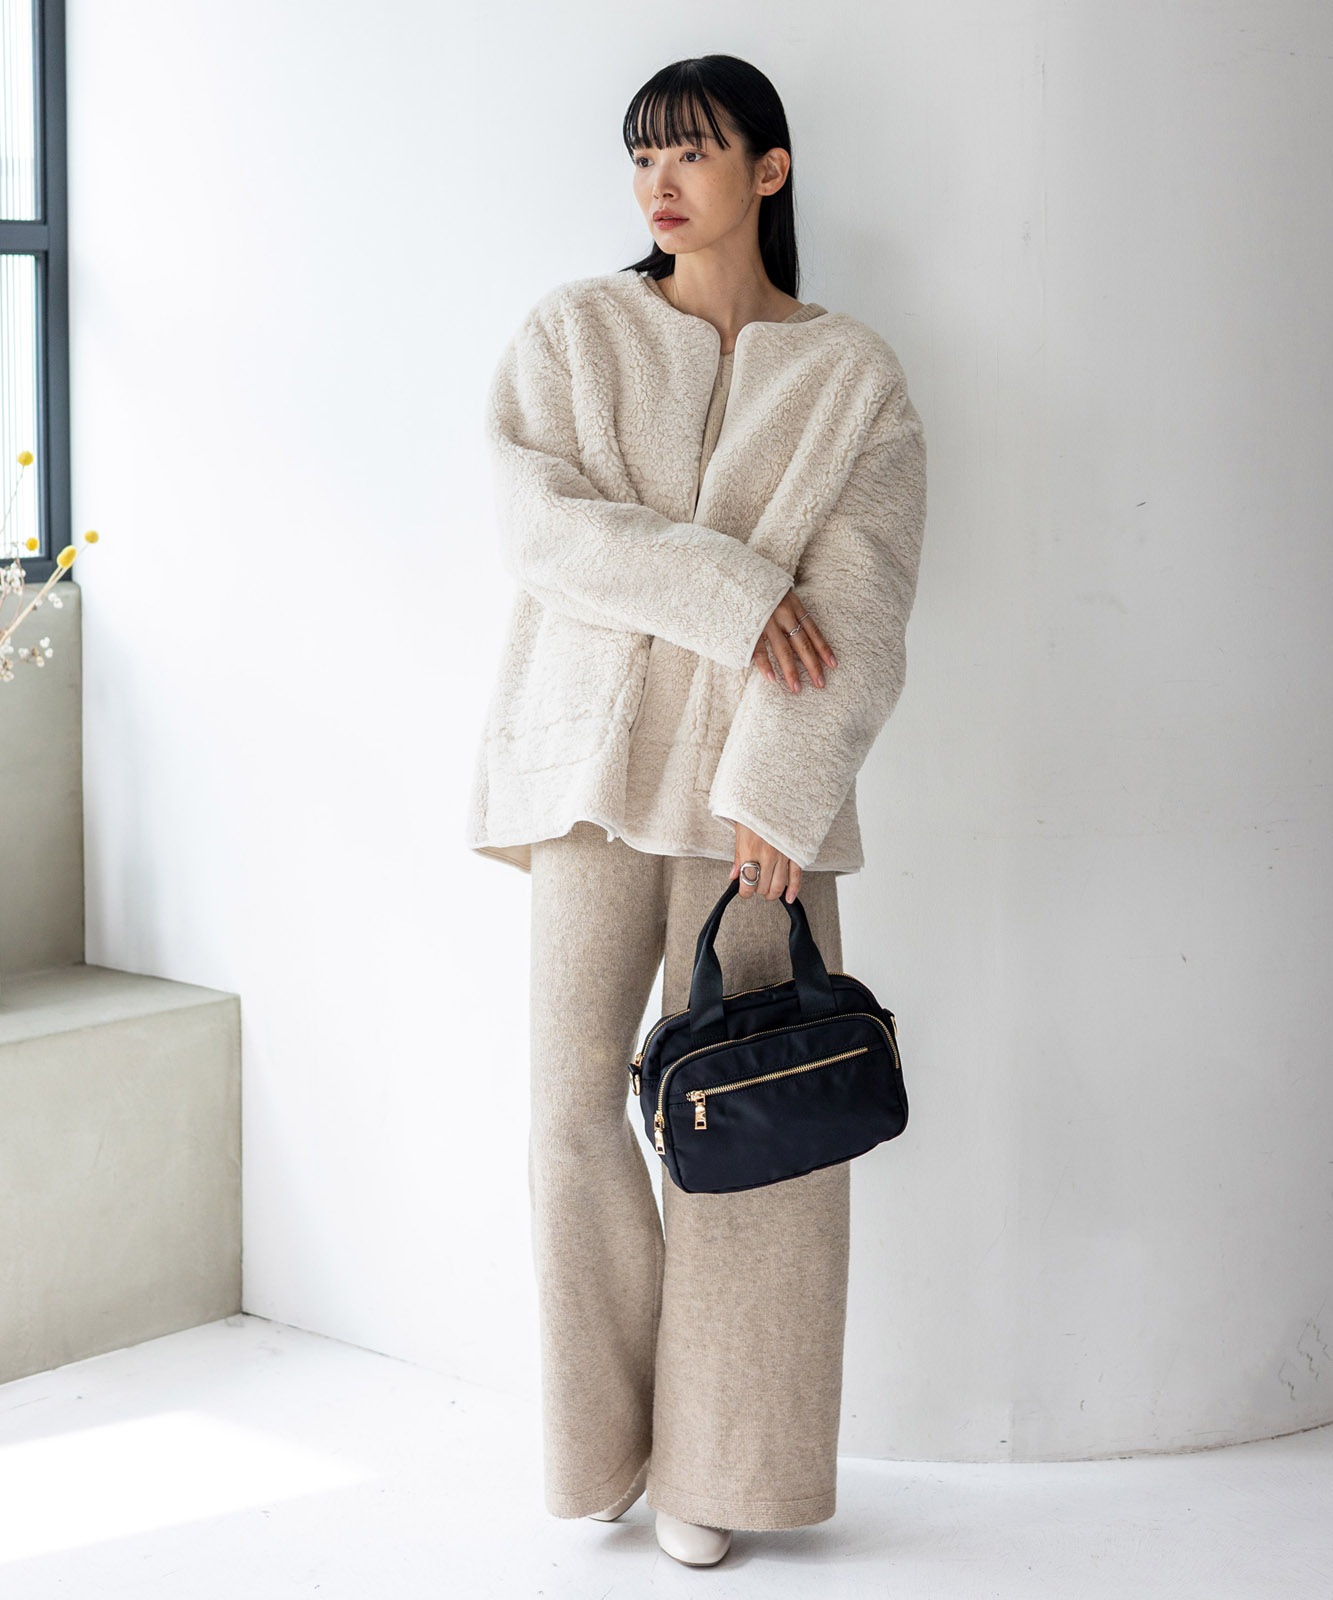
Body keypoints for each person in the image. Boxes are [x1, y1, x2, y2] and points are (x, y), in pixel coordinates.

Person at [464, 54, 927, 1568]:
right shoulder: (575, 334)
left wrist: (781, 791)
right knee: (568, 1114)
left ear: (768, 171)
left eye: (692, 151)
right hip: (592, 782)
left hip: (754, 808)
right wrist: (732, 589)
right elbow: (545, 532)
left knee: (756, 1125)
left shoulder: (851, 376)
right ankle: (604, 1446)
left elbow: (859, 607)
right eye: (642, 156)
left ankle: (718, 1470)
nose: (658, 183)